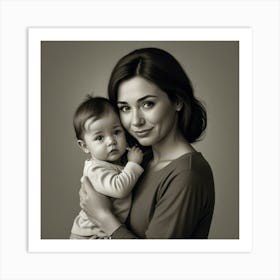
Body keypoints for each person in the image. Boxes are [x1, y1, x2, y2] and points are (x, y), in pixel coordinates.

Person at [79, 47, 215, 239]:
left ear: (177, 101)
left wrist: (104, 218)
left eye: (147, 104)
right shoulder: (138, 161)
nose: (135, 121)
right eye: (125, 108)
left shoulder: (187, 174)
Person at [70, 96, 144, 239]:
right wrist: (133, 164)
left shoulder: (117, 162)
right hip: (88, 236)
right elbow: (119, 188)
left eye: (116, 132)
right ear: (84, 146)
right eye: (99, 138)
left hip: (103, 231)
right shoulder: (94, 170)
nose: (111, 141)